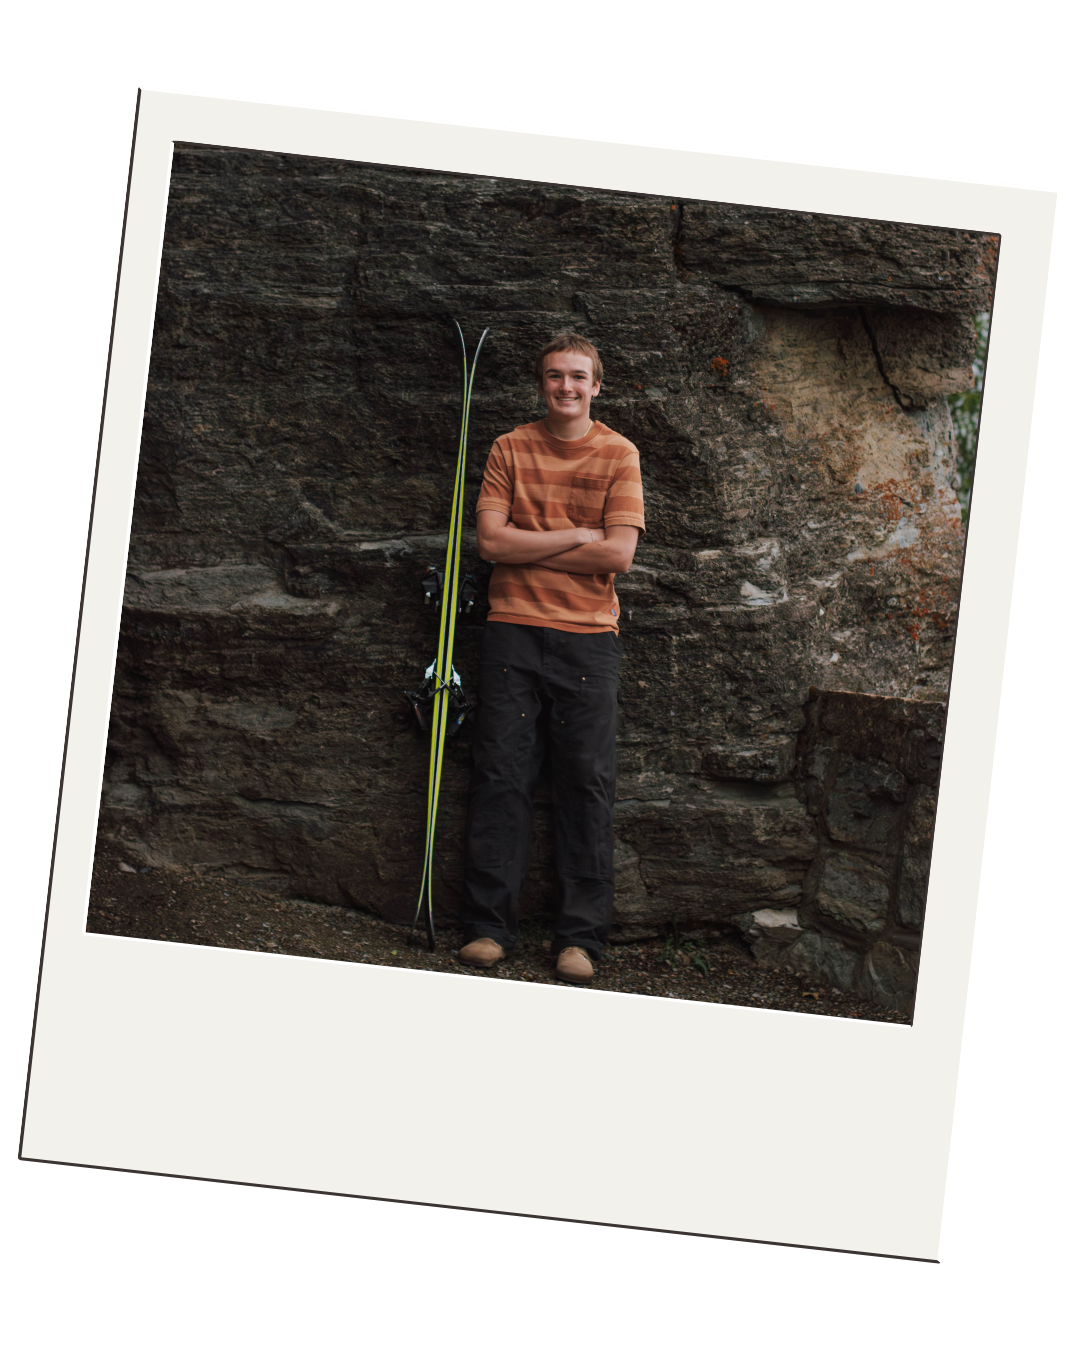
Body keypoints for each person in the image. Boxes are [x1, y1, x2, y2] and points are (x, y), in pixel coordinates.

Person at [456, 333, 646, 983]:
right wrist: (572, 534)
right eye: (554, 376)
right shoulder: (510, 447)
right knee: (500, 778)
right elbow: (489, 542)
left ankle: (580, 940)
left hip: (590, 637)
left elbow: (618, 555)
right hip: (512, 628)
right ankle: (487, 927)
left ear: (598, 385)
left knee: (585, 785)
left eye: (577, 377)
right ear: (541, 384)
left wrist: (527, 543)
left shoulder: (620, 454)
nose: (565, 386)